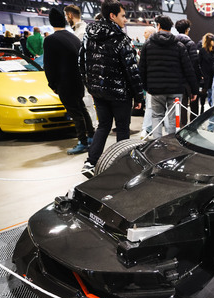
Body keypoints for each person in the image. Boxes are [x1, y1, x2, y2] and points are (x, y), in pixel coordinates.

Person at [79, 0, 144, 178]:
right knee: (123, 128)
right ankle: (121, 165)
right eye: (123, 15)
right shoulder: (121, 39)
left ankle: (90, 163)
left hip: (99, 93)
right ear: (112, 16)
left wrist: (91, 86)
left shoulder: (89, 36)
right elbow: (132, 71)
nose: (125, 19)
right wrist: (139, 97)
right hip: (119, 93)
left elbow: (82, 63)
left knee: (103, 126)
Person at [44, 7, 94, 155]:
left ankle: (82, 142)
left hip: (64, 83)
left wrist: (52, 84)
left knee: (75, 112)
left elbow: (49, 65)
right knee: (82, 109)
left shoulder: (50, 40)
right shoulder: (73, 37)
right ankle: (90, 136)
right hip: (78, 81)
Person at [139, 15, 198, 140]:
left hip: (155, 89)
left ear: (158, 26)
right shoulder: (179, 46)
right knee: (172, 118)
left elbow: (142, 69)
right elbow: (188, 70)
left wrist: (146, 87)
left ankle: (157, 144)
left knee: (156, 116)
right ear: (171, 28)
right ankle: (171, 145)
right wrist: (194, 90)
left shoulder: (148, 45)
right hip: (175, 89)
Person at [64, 4, 98, 131]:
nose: (66, 19)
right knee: (85, 100)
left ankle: (92, 127)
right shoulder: (79, 31)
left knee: (86, 100)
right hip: (83, 72)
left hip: (85, 72)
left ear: (70, 15)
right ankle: (91, 127)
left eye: (66, 16)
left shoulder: (81, 32)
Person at [174, 19, 201, 125]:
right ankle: (191, 131)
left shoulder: (173, 42)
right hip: (187, 81)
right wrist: (195, 86)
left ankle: (180, 130)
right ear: (187, 30)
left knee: (179, 109)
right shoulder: (190, 44)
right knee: (191, 107)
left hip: (176, 80)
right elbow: (193, 65)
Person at [141, 25, 156, 135]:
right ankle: (148, 128)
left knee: (150, 106)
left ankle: (146, 129)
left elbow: (142, 67)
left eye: (145, 32)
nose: (143, 34)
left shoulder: (147, 46)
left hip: (152, 82)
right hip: (154, 82)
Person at [198, 33, 214, 114]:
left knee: (210, 94)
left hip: (209, 76)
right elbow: (199, 63)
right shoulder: (203, 51)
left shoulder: (212, 51)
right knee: (204, 95)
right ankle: (203, 109)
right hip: (206, 76)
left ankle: (209, 110)